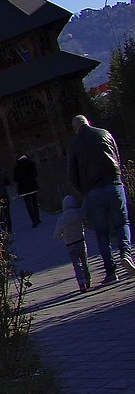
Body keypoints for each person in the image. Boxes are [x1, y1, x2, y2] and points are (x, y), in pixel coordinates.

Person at [69, 114, 126, 285]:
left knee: (102, 232)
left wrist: (84, 191)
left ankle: (111, 272)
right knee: (122, 223)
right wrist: (117, 178)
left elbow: (72, 174)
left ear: (75, 129)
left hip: (92, 190)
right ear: (88, 123)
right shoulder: (105, 134)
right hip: (113, 183)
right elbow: (117, 157)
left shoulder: (74, 145)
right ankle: (126, 254)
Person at [58, 193, 91, 292]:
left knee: (76, 265)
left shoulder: (62, 219)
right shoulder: (79, 213)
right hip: (81, 241)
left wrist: (62, 235)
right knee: (84, 261)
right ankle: (88, 279)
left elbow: (56, 235)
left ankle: (81, 283)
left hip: (70, 244)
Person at [14, 152, 42, 226]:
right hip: (32, 187)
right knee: (35, 204)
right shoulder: (31, 164)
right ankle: (37, 218)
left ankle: (34, 220)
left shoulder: (17, 167)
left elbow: (15, 179)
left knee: (29, 206)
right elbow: (35, 174)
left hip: (24, 190)